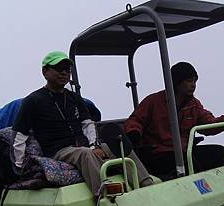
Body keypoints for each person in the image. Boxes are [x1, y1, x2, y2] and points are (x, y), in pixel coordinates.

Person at [12, 51, 154, 195]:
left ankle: (147, 185)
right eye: (58, 68)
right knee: (85, 154)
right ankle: (105, 195)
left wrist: (94, 146)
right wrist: (19, 166)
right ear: (45, 71)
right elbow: (19, 134)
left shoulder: (74, 98)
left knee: (119, 144)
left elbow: (88, 124)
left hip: (82, 145)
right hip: (58, 151)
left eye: (67, 69)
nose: (64, 72)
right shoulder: (33, 100)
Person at [124, 61, 224, 178]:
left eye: (195, 81)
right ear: (177, 83)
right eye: (189, 81)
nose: (193, 85)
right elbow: (135, 120)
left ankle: (221, 189)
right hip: (158, 153)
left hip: (184, 151)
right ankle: (198, 191)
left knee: (219, 153)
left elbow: (208, 123)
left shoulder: (193, 105)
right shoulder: (154, 101)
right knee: (187, 163)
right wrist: (134, 133)